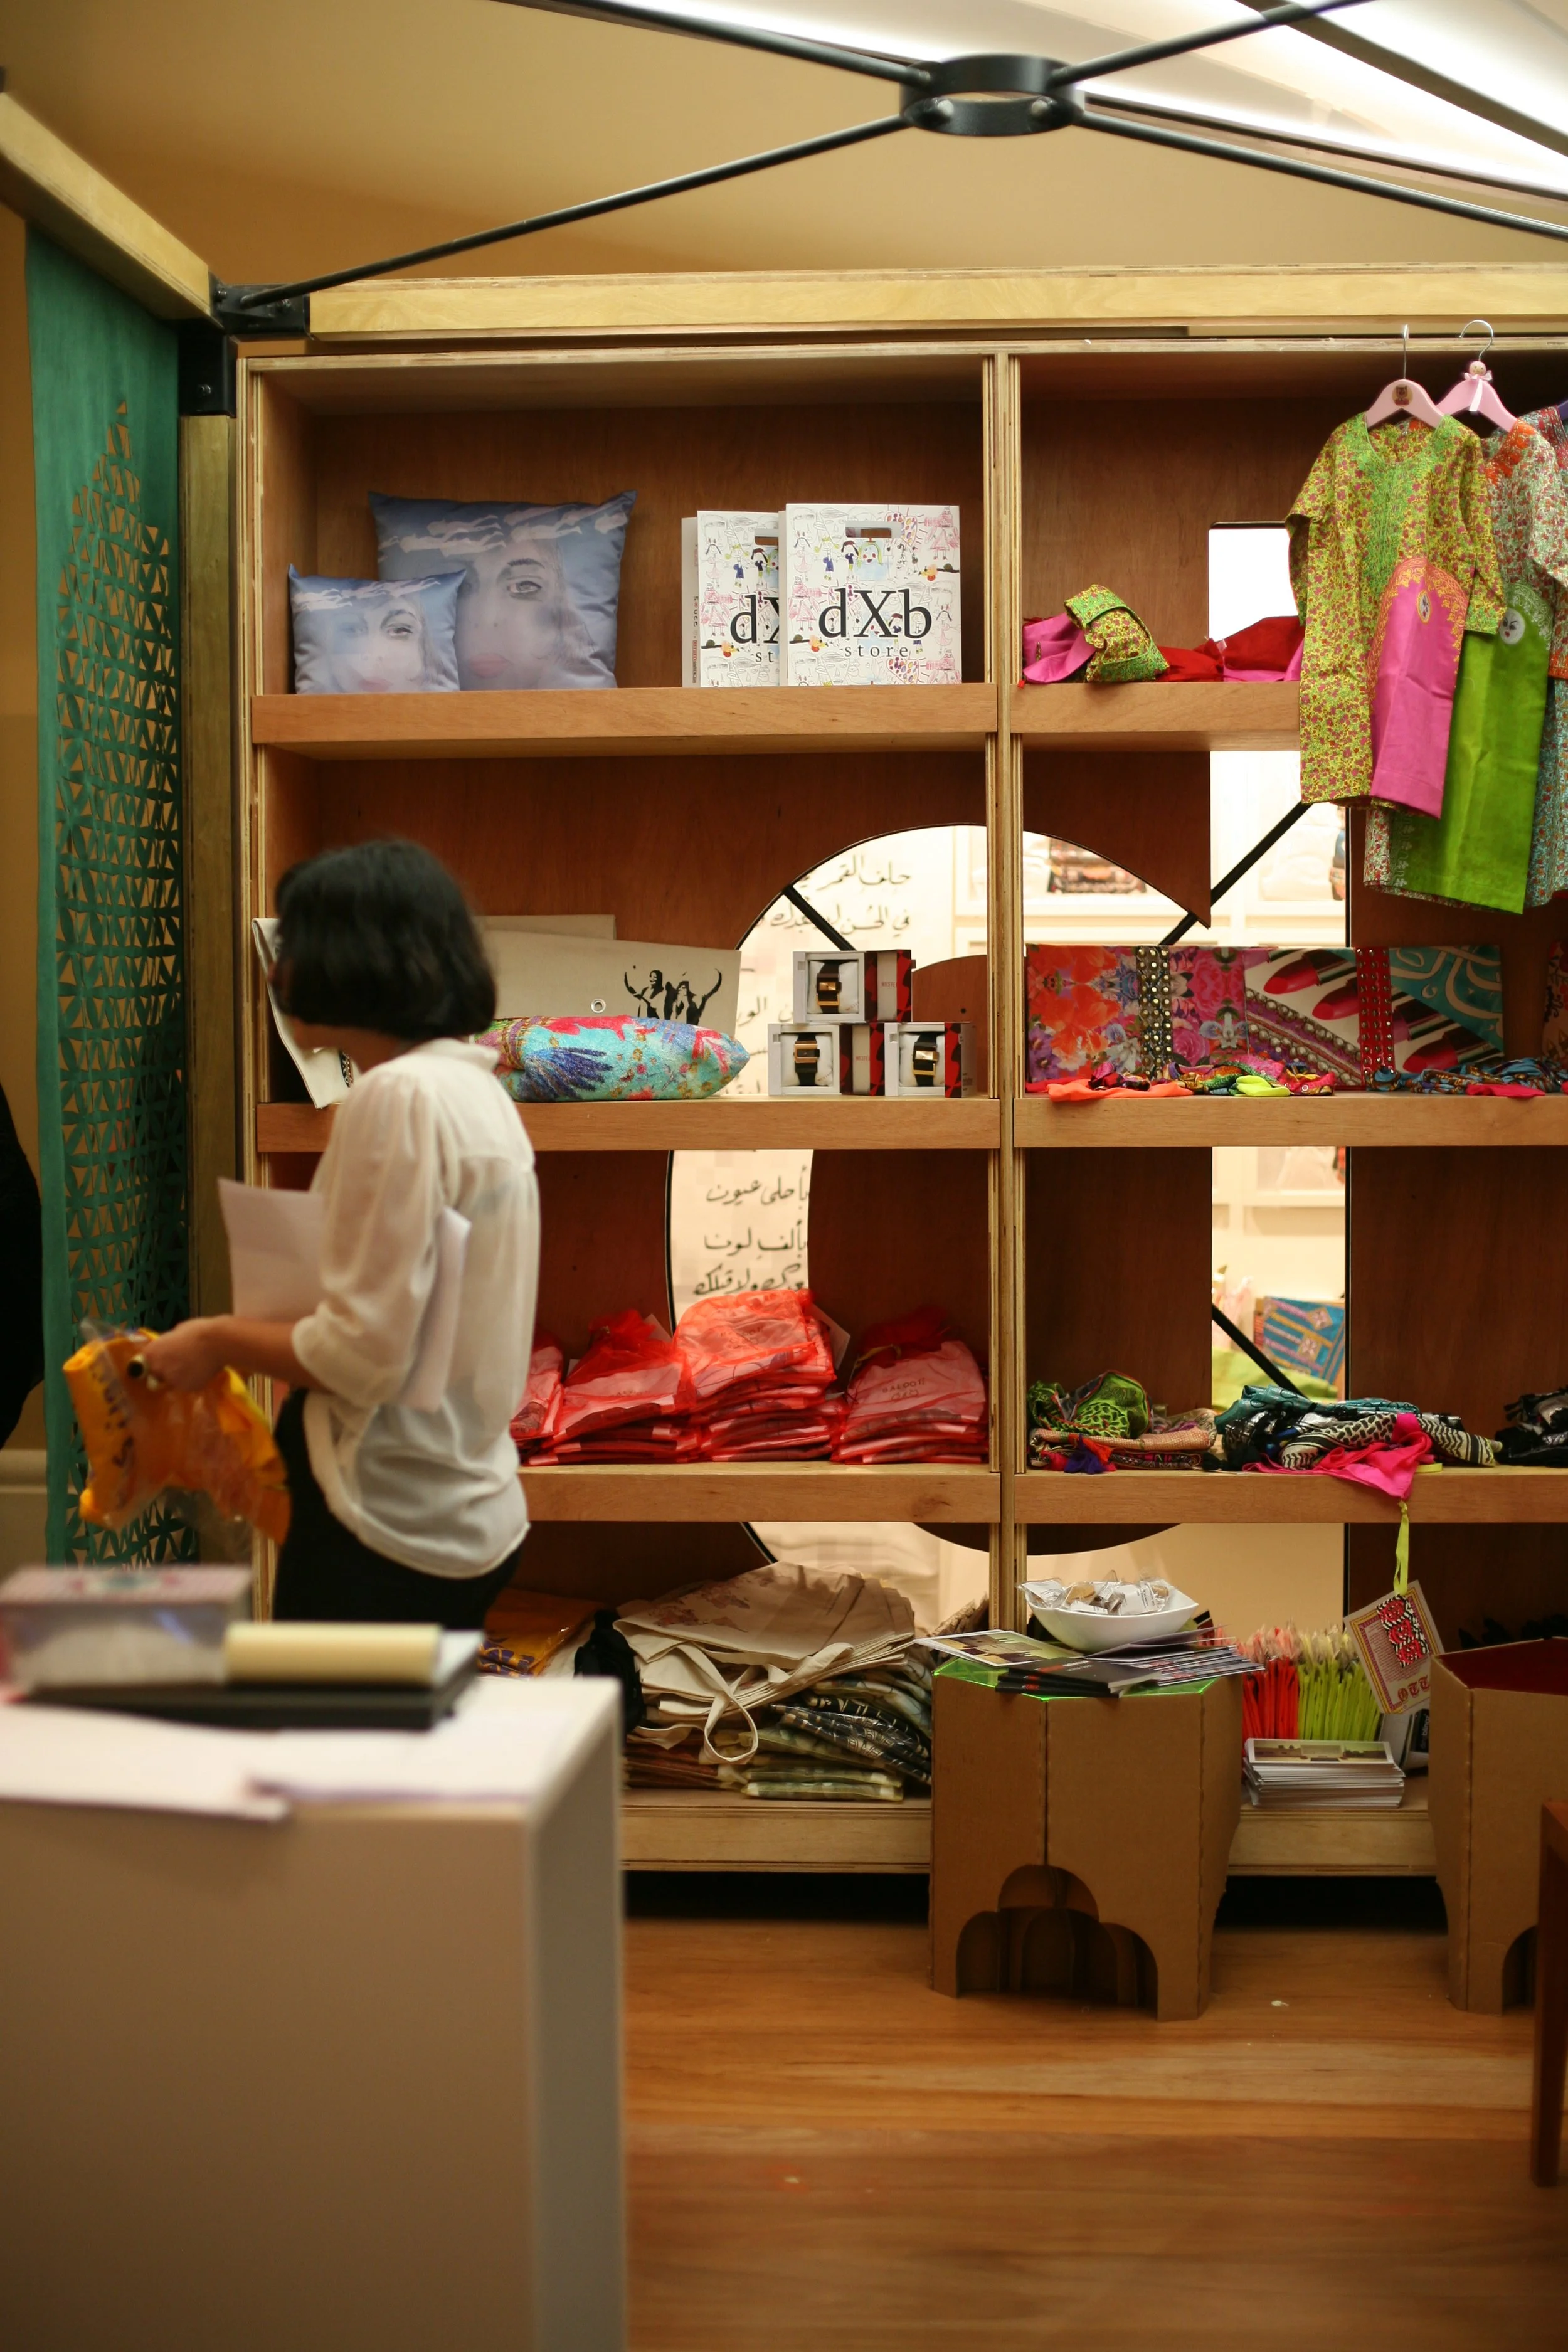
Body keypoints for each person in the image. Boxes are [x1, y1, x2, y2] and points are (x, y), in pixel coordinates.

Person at [142, 841, 538, 1628]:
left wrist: (213, 1340)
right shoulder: (473, 1087)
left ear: (357, 955)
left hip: (385, 1526)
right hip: (464, 1505)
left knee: (331, 1751)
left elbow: (366, 1355)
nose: (277, 972)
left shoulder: (398, 1099)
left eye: (295, 943)